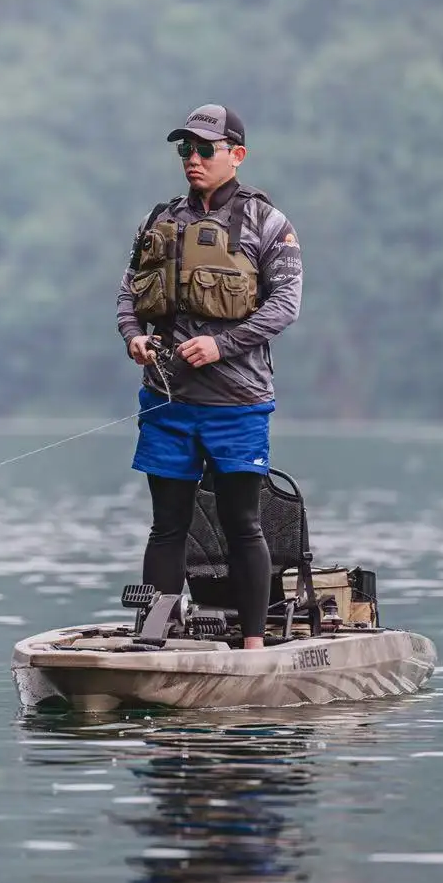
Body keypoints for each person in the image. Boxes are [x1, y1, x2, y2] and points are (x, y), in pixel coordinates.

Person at [116, 104, 303, 648]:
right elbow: (129, 294)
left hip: (237, 404)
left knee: (242, 523)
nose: (192, 160)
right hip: (166, 402)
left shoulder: (268, 224)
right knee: (166, 526)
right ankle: (153, 639)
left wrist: (221, 345)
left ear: (236, 156)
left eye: (204, 150)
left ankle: (252, 645)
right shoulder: (159, 220)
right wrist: (134, 338)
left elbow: (284, 306)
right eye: (185, 150)